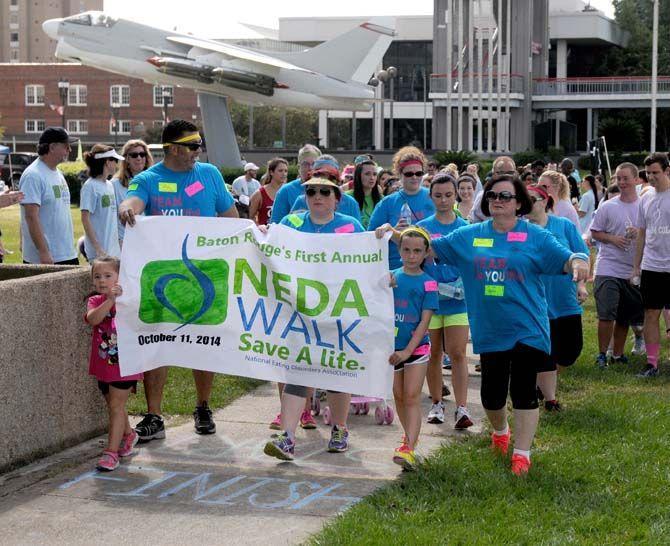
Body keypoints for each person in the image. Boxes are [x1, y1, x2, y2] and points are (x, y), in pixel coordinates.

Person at [424, 174, 588, 475]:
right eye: (492, 196)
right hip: (490, 329)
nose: (497, 201)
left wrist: (579, 264)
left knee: (524, 389)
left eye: (505, 196)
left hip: (528, 326)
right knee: (492, 395)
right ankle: (500, 432)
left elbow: (567, 259)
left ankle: (522, 454)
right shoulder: (470, 235)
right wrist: (390, 236)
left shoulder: (535, 235)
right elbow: (430, 248)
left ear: (519, 203)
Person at [118, 119, 238, 441]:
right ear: (173, 148)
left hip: (206, 274)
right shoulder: (149, 179)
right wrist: (128, 209)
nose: (198, 152)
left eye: (200, 145)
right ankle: (155, 415)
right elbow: (133, 200)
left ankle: (203, 406)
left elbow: (232, 221)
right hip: (162, 276)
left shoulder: (210, 175)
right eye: (193, 146)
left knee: (205, 342)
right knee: (157, 345)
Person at [263, 177, 365, 461]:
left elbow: (367, 260)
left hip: (337, 310)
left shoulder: (350, 226)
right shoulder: (292, 224)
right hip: (299, 310)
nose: (317, 196)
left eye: (324, 192)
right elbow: (269, 246)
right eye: (311, 192)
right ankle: (288, 436)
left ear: (336, 198)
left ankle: (340, 428)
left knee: (335, 371)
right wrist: (261, 234)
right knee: (297, 370)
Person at [416, 174, 472, 429]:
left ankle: (462, 407)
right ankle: (436, 403)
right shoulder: (423, 227)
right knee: (433, 354)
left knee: (458, 352)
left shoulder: (465, 226)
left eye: (448, 195)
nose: (443, 200)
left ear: (456, 195)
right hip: (430, 302)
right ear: (431, 197)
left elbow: (471, 259)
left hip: (458, 301)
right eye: (438, 195)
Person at [526, 185, 589, 410]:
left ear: (545, 201)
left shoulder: (564, 226)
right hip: (535, 301)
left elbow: (582, 256)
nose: (527, 204)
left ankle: (543, 383)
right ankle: (547, 395)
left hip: (564, 298)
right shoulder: (521, 230)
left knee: (570, 352)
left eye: (532, 199)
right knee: (544, 352)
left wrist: (581, 285)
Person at [85, 256, 143, 471]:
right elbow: (93, 319)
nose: (102, 280)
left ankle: (111, 453)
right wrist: (109, 299)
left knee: (116, 406)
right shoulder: (95, 301)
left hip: (126, 363)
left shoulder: (130, 298)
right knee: (113, 405)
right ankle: (129, 434)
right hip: (103, 364)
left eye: (108, 276)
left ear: (121, 277)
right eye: (97, 276)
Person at [389, 227, 438, 469]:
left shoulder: (429, 284)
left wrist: (408, 351)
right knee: (398, 396)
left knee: (411, 396)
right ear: (399, 250)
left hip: (416, 350)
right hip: (392, 350)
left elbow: (424, 322)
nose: (411, 255)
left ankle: (409, 446)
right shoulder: (391, 277)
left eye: (417, 251)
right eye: (406, 250)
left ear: (426, 253)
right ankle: (407, 435)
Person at [590, 162, 645, 368]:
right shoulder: (607, 206)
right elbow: (595, 232)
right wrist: (613, 239)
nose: (621, 182)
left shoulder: (644, 205)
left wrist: (639, 234)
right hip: (608, 267)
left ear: (636, 180)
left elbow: (651, 234)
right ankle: (602, 354)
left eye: (625, 178)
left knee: (625, 316)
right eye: (618, 179)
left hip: (632, 269)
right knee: (607, 313)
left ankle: (618, 354)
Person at [633, 152, 670, 377]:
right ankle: (652, 363)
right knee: (650, 313)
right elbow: (641, 234)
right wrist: (636, 266)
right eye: (648, 173)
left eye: (655, 172)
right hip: (651, 266)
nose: (651, 177)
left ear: (667, 171)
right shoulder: (645, 197)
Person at [368, 146, 435, 269]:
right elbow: (370, 238)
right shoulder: (387, 203)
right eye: (409, 174)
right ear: (399, 174)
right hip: (395, 268)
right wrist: (391, 232)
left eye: (419, 173)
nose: (414, 177)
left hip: (428, 268)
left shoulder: (434, 197)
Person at [19, 127, 79, 265]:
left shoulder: (57, 173)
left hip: (66, 253)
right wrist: (43, 252)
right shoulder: (33, 175)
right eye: (66, 146)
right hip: (47, 258)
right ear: (52, 147)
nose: (69, 150)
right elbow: (30, 216)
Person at [80, 145, 124, 261]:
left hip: (114, 252)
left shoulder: (109, 185)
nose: (117, 164)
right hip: (99, 254)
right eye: (115, 160)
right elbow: (85, 219)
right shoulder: (90, 186)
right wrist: (98, 248)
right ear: (107, 162)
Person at [288, 156, 361, 221]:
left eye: (330, 174)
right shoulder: (302, 200)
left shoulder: (350, 203)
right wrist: (303, 221)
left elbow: (354, 232)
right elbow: (291, 226)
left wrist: (339, 227)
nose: (322, 177)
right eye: (318, 172)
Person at [111, 139, 153, 246]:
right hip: (124, 241)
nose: (139, 158)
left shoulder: (156, 182)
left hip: (149, 240)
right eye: (134, 155)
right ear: (127, 159)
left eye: (142, 154)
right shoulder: (114, 185)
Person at [270, 144, 321, 223]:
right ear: (298, 168)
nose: (311, 168)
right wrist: (298, 220)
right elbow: (276, 224)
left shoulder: (331, 192)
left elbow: (343, 225)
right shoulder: (285, 191)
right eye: (305, 164)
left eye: (314, 164)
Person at [468, 156, 517, 224]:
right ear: (493, 174)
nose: (506, 176)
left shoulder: (520, 195)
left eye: (510, 173)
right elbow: (473, 222)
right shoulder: (483, 196)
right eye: (501, 173)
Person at [249, 157, 288, 226]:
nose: (284, 174)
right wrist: (259, 228)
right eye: (280, 171)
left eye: (285, 171)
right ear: (271, 172)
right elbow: (250, 217)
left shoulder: (289, 191)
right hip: (265, 234)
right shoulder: (259, 194)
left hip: (285, 234)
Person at [347, 159, 381, 228]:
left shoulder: (382, 200)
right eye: (367, 174)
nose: (372, 178)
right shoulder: (347, 198)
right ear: (358, 176)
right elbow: (340, 227)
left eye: (374, 174)